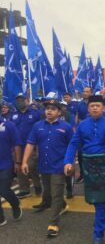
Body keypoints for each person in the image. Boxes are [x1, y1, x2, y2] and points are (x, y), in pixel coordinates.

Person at [63, 95, 105, 244]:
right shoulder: (82, 125)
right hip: (88, 164)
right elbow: (73, 143)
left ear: (103, 108)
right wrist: (68, 161)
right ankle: (99, 219)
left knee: (102, 201)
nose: (95, 108)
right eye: (92, 106)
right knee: (93, 199)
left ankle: (98, 234)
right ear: (88, 109)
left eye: (98, 105)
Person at [22, 99, 73, 237]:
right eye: (47, 108)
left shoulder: (66, 127)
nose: (49, 111)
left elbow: (72, 146)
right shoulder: (37, 126)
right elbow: (30, 144)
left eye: (53, 108)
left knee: (56, 194)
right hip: (43, 165)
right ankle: (62, 204)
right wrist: (24, 162)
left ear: (59, 112)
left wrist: (71, 162)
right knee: (49, 192)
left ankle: (53, 223)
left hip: (59, 166)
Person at [11, 93, 42, 198]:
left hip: (32, 146)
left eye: (22, 100)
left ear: (27, 101)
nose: (19, 102)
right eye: (18, 100)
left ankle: (37, 185)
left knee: (32, 167)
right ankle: (25, 189)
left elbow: (41, 128)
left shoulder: (36, 114)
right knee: (19, 167)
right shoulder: (13, 115)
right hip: (18, 147)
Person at [0, 116, 23, 226]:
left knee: (3, 189)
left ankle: (15, 203)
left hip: (5, 164)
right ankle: (1, 218)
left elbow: (17, 144)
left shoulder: (9, 125)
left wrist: (18, 162)